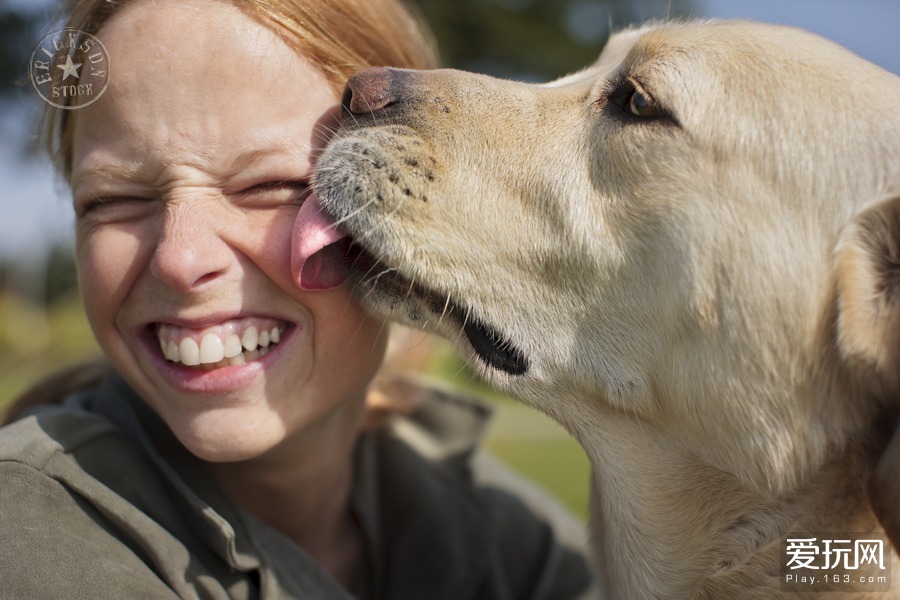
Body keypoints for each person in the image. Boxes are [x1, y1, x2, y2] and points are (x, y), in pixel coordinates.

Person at [0, 0, 596, 598]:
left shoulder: (502, 537)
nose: (179, 260)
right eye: (112, 201)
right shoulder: (27, 525)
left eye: (271, 186)